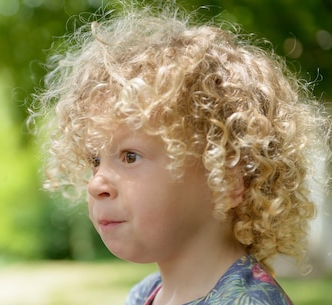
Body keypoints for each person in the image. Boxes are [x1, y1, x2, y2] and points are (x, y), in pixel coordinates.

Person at [29, 1, 331, 304]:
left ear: (225, 179)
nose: (96, 185)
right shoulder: (146, 294)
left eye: (130, 156)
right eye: (95, 160)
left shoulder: (248, 301)